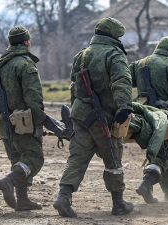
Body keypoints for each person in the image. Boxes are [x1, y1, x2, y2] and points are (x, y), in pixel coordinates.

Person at [53, 17, 134, 217]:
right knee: (113, 158)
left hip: (80, 115)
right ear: (114, 35)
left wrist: (75, 113)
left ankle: (63, 197)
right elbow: (121, 81)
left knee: (77, 158)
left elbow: (74, 85)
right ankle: (118, 203)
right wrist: (125, 107)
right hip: (103, 117)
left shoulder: (81, 55)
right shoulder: (114, 54)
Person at [129, 36, 168, 203]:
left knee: (166, 152)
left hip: (142, 116)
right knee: (164, 152)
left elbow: (123, 81)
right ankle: (147, 182)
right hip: (164, 118)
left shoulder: (140, 64)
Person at [0, 26, 46, 211]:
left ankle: (23, 199)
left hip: (3, 123)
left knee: (18, 159)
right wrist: (39, 125)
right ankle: (9, 181)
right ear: (26, 42)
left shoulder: (0, 64)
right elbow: (34, 98)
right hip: (23, 124)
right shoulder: (25, 64)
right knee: (34, 157)